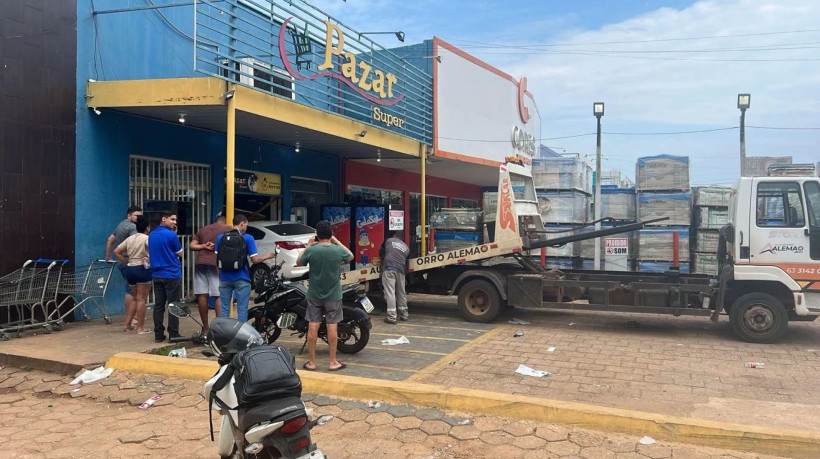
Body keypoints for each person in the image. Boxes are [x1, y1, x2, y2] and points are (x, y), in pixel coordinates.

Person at [296, 220, 353, 372]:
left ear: (317, 235)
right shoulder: (336, 250)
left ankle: (312, 362)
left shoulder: (312, 251)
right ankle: (333, 362)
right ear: (331, 234)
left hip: (314, 294)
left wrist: (308, 246)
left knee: (313, 325)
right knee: (332, 325)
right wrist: (337, 241)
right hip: (333, 294)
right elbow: (351, 256)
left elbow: (298, 262)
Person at [214, 214, 275, 323]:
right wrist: (268, 256)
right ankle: (240, 335)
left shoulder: (220, 237)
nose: (246, 227)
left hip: (224, 279)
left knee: (224, 309)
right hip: (242, 278)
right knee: (242, 310)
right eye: (246, 225)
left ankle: (224, 335)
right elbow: (254, 260)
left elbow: (217, 261)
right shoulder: (247, 238)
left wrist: (220, 278)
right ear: (242, 223)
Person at [190, 215, 231, 334]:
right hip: (216, 264)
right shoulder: (228, 229)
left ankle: (206, 328)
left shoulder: (204, 229)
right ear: (225, 221)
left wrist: (203, 246)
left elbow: (192, 245)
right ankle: (218, 328)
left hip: (201, 263)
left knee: (202, 294)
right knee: (218, 295)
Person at [105, 205, 142, 330]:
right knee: (131, 291)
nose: (139, 218)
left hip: (122, 262)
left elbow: (110, 240)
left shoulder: (121, 225)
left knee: (131, 290)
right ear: (129, 215)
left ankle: (133, 317)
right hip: (130, 261)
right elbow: (136, 241)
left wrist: (108, 258)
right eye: (137, 216)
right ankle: (131, 319)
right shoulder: (132, 227)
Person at [148, 211, 183, 343]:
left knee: (159, 306)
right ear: (164, 219)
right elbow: (180, 253)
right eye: (172, 219)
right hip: (172, 274)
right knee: (173, 305)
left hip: (157, 274)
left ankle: (158, 333)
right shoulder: (171, 235)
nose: (174, 222)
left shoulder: (151, 235)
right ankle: (173, 333)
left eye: (175, 220)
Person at [113, 215, 152, 335]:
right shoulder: (147, 238)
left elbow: (116, 251)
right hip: (142, 269)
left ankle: (127, 325)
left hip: (130, 269)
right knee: (141, 299)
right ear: (147, 227)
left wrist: (127, 261)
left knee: (135, 298)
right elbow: (154, 252)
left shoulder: (130, 238)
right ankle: (140, 328)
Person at [379, 230, 410, 324]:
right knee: (401, 293)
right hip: (401, 270)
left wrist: (383, 260)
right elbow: (407, 263)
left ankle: (392, 317)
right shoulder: (406, 248)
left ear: (394, 235)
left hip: (389, 268)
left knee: (390, 293)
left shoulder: (389, 240)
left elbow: (381, 251)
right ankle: (404, 315)